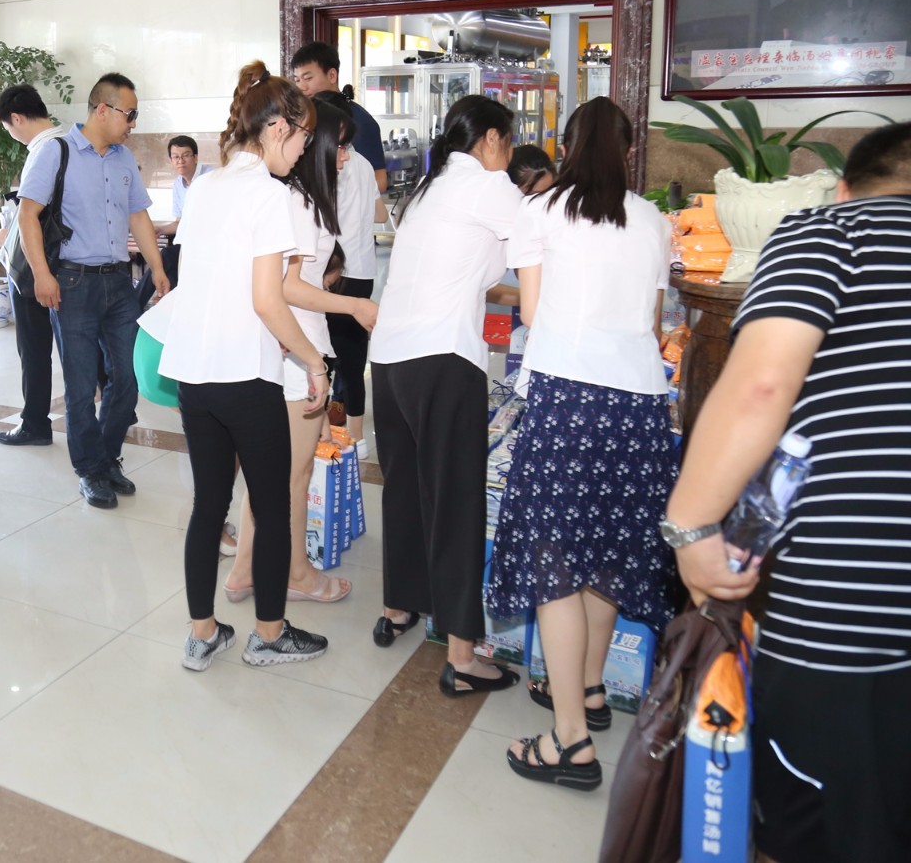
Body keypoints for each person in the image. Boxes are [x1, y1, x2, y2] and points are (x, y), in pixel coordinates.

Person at [663, 121, 911, 861]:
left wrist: (690, 530)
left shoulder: (830, 234)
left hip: (853, 599)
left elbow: (761, 385)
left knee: (829, 819)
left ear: (845, 189)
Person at [484, 98, 678, 792]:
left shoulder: (540, 211)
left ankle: (569, 740)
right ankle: (590, 689)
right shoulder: (653, 221)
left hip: (569, 397)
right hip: (640, 404)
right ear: (628, 151)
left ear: (565, 147)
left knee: (555, 559)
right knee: (609, 551)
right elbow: (652, 323)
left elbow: (534, 312)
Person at [155, 61, 331, 671]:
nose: (303, 149)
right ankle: (270, 634)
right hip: (244, 376)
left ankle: (202, 633)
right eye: (303, 136)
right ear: (278, 128)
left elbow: (201, 279)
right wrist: (314, 361)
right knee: (273, 506)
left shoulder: (206, 187)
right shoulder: (269, 195)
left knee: (209, 505)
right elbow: (267, 299)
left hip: (194, 375)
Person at [367, 94, 523, 696]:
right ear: (490, 139)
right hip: (441, 359)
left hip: (391, 359)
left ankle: (399, 606)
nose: (510, 156)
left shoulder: (427, 191)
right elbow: (544, 238)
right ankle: (462, 656)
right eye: (509, 142)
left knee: (406, 487)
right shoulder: (487, 185)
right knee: (456, 499)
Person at [223, 95, 376, 605]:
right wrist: (353, 305)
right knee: (294, 475)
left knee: (274, 471)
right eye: (341, 146)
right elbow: (286, 288)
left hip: (289, 345)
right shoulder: (297, 201)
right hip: (296, 348)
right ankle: (297, 574)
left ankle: (244, 570)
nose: (346, 157)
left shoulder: (292, 196)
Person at [17, 73, 167, 509]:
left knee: (128, 378)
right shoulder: (57, 152)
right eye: (129, 114)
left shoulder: (123, 159)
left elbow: (138, 216)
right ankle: (89, 470)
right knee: (82, 387)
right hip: (72, 283)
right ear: (103, 109)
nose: (133, 124)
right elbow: (28, 215)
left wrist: (157, 268)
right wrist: (42, 275)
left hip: (119, 282)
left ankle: (106, 456)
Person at [0, 83, 64, 448]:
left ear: (16, 118)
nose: (10, 132)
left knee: (34, 348)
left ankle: (34, 423)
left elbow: (30, 215)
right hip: (64, 263)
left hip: (36, 268)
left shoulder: (44, 151)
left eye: (7, 126)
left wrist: (16, 239)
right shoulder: (68, 143)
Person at [318, 91, 386, 457]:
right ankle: (357, 438)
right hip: (364, 270)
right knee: (355, 359)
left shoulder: (334, 164)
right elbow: (380, 214)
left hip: (335, 271)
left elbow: (327, 222)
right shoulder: (363, 164)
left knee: (326, 356)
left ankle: (325, 433)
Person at [290, 42, 388, 191]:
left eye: (308, 78)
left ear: (332, 75)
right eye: (297, 80)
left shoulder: (359, 120)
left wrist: (343, 194)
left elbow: (380, 180)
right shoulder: (301, 118)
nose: (302, 87)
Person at [137, 135, 208, 308]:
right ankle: (157, 308)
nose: (180, 161)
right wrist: (160, 229)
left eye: (186, 155)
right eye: (176, 157)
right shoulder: (178, 184)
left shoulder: (210, 177)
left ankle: (135, 305)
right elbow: (180, 222)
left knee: (167, 257)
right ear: (171, 160)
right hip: (188, 245)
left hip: (208, 243)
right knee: (172, 270)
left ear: (196, 157)